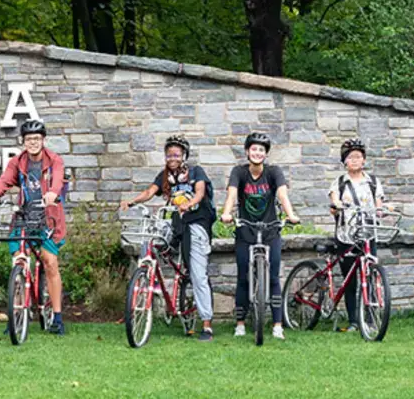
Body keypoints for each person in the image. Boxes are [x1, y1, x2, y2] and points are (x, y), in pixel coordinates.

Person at [120, 135, 217, 341]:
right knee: (152, 232)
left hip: (197, 223)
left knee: (198, 274)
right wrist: (132, 202)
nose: (172, 158)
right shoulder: (165, 176)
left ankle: (206, 324)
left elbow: (200, 192)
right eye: (169, 155)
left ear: (184, 156)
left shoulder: (196, 172)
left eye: (176, 155)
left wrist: (189, 204)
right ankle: (148, 271)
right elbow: (150, 192)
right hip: (177, 222)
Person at [0, 119, 69, 335]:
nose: (33, 142)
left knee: (49, 262)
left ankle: (57, 317)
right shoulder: (18, 162)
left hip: (48, 218)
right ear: (23, 141)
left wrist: (53, 193)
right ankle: (16, 315)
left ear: (43, 140)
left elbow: (58, 179)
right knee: (19, 261)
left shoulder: (54, 160)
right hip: (24, 216)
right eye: (29, 139)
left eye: (36, 138)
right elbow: (5, 180)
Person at [220, 132, 301, 340]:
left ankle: (277, 325)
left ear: (266, 154)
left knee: (273, 277)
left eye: (261, 150)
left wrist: (291, 215)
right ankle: (240, 324)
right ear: (247, 151)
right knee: (243, 278)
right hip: (245, 231)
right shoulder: (239, 172)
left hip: (270, 231)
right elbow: (232, 194)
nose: (257, 153)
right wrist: (227, 213)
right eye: (254, 149)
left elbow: (282, 194)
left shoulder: (273, 172)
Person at [327, 138, 386, 333]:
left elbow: (379, 206)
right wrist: (337, 206)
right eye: (351, 157)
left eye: (358, 157)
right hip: (347, 235)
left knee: (370, 275)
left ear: (364, 160)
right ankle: (354, 320)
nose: (354, 160)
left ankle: (370, 318)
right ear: (344, 161)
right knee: (350, 280)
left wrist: (383, 210)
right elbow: (334, 203)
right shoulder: (339, 183)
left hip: (368, 234)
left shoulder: (373, 182)